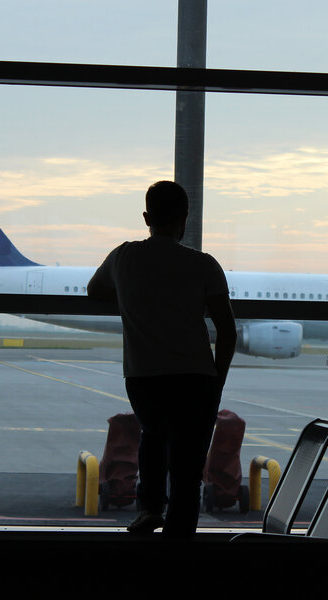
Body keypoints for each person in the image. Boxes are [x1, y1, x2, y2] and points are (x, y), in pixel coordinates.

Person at [87, 180, 236, 539]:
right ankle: (178, 538)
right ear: (185, 219)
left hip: (143, 377)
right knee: (188, 468)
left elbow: (94, 290)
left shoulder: (123, 256)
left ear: (146, 217)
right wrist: (217, 379)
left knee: (153, 437)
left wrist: (131, 296)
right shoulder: (203, 264)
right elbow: (227, 330)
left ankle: (149, 509)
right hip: (195, 378)